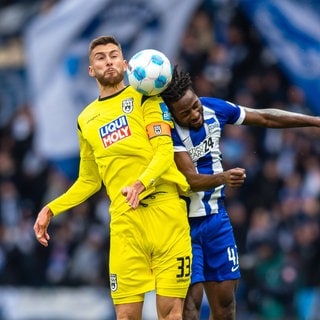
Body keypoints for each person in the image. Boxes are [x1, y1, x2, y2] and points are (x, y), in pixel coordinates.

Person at [33, 36, 192, 320]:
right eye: (101, 57)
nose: (108, 61)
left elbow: (164, 153)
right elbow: (89, 181)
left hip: (166, 215)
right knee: (126, 316)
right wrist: (51, 208)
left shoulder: (146, 98)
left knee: (171, 314)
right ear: (91, 70)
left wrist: (140, 184)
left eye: (114, 55)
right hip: (125, 223)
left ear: (126, 64)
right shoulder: (86, 119)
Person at [160, 66, 320, 320]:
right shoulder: (165, 130)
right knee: (190, 306)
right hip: (183, 225)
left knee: (225, 307)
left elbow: (265, 117)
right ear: (172, 114)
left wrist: (314, 121)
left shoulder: (213, 108)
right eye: (185, 113)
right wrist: (223, 177)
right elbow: (190, 180)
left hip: (217, 221)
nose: (194, 114)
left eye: (195, 106)